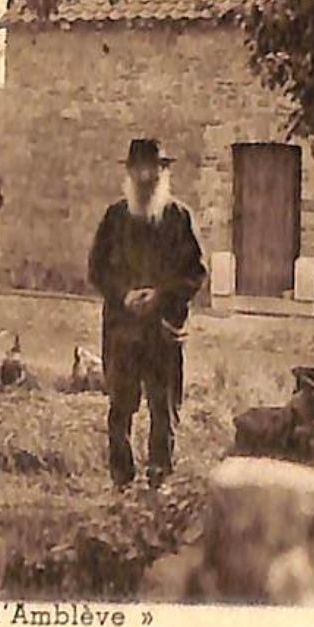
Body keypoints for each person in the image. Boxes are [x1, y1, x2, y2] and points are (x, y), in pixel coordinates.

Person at [87, 138, 207, 489]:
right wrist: (123, 296)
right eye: (138, 169)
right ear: (129, 172)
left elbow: (195, 274)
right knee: (120, 408)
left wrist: (161, 295)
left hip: (163, 331)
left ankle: (160, 480)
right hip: (123, 330)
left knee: (163, 407)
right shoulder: (115, 218)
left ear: (163, 172)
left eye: (152, 168)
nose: (145, 176)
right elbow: (96, 270)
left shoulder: (179, 218)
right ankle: (121, 481)